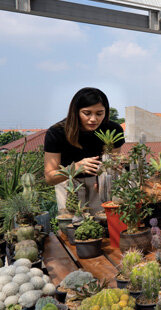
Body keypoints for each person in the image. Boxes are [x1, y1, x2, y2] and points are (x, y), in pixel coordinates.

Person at [44, 87, 124, 215]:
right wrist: (76, 168)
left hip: (100, 184)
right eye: (87, 113)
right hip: (68, 185)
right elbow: (49, 177)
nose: (93, 119)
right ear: (75, 112)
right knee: (73, 227)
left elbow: (113, 163)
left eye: (99, 113)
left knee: (104, 225)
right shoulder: (56, 132)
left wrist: (110, 172)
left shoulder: (113, 129)